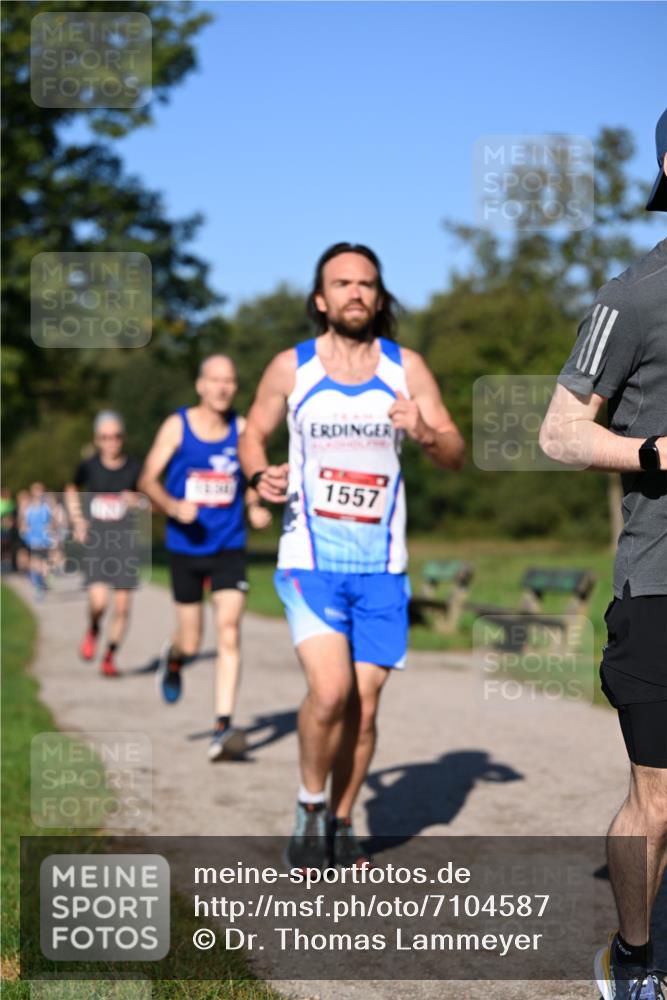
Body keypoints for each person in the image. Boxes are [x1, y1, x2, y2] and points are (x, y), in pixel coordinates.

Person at [238, 242, 465, 870]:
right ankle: (310, 803)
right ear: (321, 299)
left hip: (383, 566)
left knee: (363, 713)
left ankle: (340, 823)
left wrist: (422, 429)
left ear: (380, 296)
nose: (355, 293)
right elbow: (252, 433)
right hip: (309, 557)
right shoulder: (292, 369)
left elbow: (453, 450)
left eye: (366, 283)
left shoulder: (406, 368)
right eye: (342, 283)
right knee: (332, 692)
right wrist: (260, 476)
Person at [540, 109, 667, 1000]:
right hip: (659, 584)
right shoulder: (629, 298)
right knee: (658, 800)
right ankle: (631, 957)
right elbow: (556, 433)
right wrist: (652, 453)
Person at [139, 354, 271, 762]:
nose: (222, 387)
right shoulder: (177, 425)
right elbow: (146, 479)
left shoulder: (244, 428)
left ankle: (223, 725)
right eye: (215, 379)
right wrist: (172, 506)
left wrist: (255, 504)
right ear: (200, 385)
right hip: (185, 546)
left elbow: (253, 478)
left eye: (229, 381)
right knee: (193, 641)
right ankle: (174, 658)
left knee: (229, 630)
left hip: (229, 545)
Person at [65, 411, 143, 677]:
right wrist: (77, 520)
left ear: (123, 438)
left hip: (124, 542)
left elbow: (153, 500)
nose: (111, 442)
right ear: (98, 440)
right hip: (97, 542)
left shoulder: (135, 468)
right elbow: (71, 488)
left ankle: (109, 656)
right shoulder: (89, 466)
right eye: (105, 437)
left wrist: (140, 501)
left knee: (122, 608)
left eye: (116, 436)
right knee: (99, 603)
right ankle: (94, 628)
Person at [19, 482, 54, 600]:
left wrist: (53, 532)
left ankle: (43, 580)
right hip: (33, 538)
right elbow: (24, 522)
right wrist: (24, 530)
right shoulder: (28, 508)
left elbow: (52, 522)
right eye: (36, 490)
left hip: (45, 537)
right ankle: (38, 586)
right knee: (35, 563)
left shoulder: (47, 506)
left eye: (40, 490)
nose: (38, 493)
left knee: (45, 564)